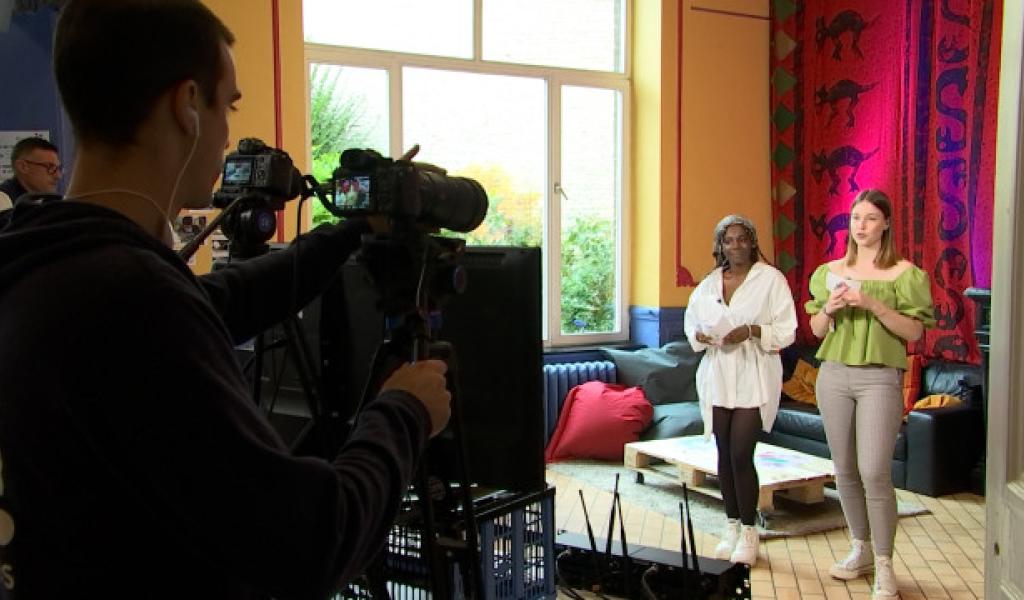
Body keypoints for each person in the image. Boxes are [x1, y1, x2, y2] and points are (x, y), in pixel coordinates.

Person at [0, 1, 452, 598]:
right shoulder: (130, 299)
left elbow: (219, 300)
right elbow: (310, 543)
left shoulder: (44, 261)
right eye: (228, 105)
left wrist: (348, 231)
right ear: (187, 104)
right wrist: (405, 410)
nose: (228, 136)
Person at [806, 189, 935, 600]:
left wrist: (872, 304)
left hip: (879, 378)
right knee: (843, 469)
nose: (861, 226)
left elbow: (914, 331)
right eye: (856, 218)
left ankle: (884, 564)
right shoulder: (829, 272)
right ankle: (859, 549)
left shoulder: (905, 274)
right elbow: (816, 330)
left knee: (875, 471)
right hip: (833, 375)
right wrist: (830, 309)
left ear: (887, 224)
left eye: (871, 218)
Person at [683, 215, 797, 566]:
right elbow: (692, 323)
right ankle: (730, 525)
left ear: (753, 242)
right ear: (720, 246)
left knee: (741, 453)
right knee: (723, 453)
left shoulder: (771, 280)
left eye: (742, 239)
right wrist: (700, 335)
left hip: (753, 375)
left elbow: (787, 330)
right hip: (718, 374)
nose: (736, 246)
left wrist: (751, 330)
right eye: (728, 240)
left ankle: (750, 531)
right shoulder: (709, 284)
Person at [0, 137, 62, 210]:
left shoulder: (50, 201)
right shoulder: (3, 202)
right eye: (50, 167)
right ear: (23, 167)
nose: (58, 176)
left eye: (58, 168)